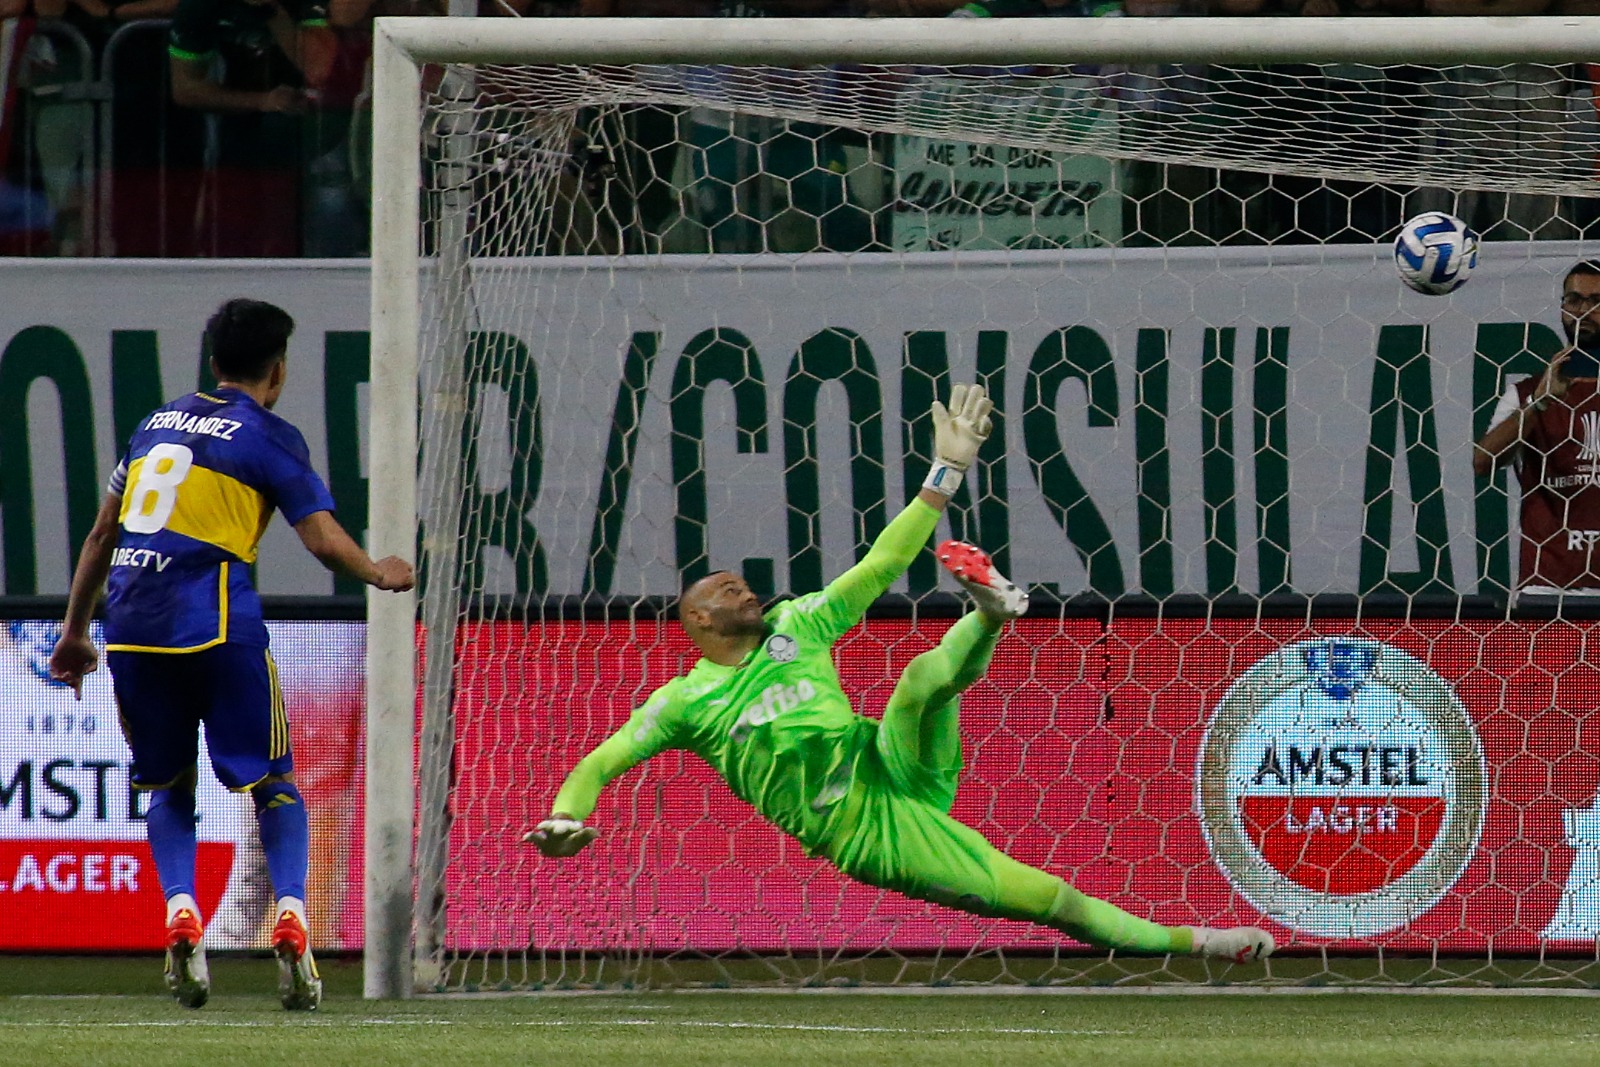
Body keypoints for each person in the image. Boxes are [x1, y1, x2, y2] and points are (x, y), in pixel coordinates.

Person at [527, 383, 1275, 965]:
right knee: (1052, 899)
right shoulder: (685, 702)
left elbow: (882, 561)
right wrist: (566, 814)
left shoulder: (799, 623)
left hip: (887, 760)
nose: (742, 588)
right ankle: (1200, 942)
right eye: (722, 589)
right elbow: (601, 760)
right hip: (866, 830)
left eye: (740, 581)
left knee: (921, 678)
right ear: (695, 622)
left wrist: (947, 470)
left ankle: (988, 612)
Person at [47, 298, 414, 1010]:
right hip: (217, 624)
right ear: (277, 371)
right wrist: (379, 571)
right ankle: (291, 912)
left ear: (212, 361)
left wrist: (73, 631)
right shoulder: (270, 436)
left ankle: (181, 907)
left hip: (129, 626)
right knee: (275, 780)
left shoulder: (153, 426)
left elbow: (101, 536)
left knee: (165, 786)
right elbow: (319, 538)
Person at [1475, 260, 1600, 597]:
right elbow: (1483, 461)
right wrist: (1540, 402)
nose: (1583, 311)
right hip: (1548, 591)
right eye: (1573, 300)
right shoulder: (1527, 393)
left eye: (1596, 302)